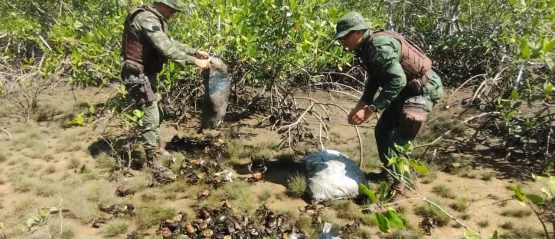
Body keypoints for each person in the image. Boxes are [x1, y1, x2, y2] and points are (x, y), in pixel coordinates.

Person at [333, 12, 443, 201]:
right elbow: (375, 78)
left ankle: (399, 189)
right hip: (405, 90)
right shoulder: (366, 47)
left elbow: (397, 81)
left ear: (357, 33)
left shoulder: (378, 46)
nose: (342, 42)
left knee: (400, 141)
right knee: (383, 130)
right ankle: (389, 173)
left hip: (422, 91)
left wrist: (371, 109)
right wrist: (361, 103)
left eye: (344, 37)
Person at [120, 0, 210, 174]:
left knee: (157, 112)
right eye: (172, 9)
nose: (173, 13)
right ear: (162, 5)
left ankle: (157, 148)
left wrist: (193, 51)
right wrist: (194, 61)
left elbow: (169, 41)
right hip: (137, 75)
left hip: (146, 73)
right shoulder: (146, 19)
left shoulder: (153, 18)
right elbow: (166, 48)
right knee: (151, 113)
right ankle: (152, 161)